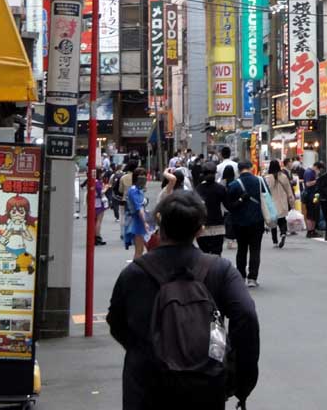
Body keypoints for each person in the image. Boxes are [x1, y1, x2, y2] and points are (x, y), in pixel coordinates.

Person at [107, 190, 260, 410]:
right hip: (205, 382)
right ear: (200, 229)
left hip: (146, 384)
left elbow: (117, 323)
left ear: (160, 225)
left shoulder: (135, 273)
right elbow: (246, 316)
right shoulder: (219, 270)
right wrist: (239, 378)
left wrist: (143, 349)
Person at [228, 161, 265, 287]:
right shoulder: (259, 181)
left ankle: (241, 276)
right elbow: (266, 198)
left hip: (239, 222)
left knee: (241, 249)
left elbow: (230, 206)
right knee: (255, 249)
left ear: (238, 170)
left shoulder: (234, 184)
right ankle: (252, 278)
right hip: (257, 220)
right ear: (251, 168)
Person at [195, 162, 227, 255]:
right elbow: (228, 206)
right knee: (217, 255)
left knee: (204, 254)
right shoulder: (220, 188)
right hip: (218, 225)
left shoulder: (198, 189)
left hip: (203, 227)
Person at [264, 160, 296, 249]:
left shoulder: (267, 178)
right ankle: (283, 233)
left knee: (273, 222)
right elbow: (289, 191)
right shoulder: (284, 177)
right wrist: (292, 202)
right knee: (282, 220)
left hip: (272, 203)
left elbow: (265, 192)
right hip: (283, 202)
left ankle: (275, 241)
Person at [124, 169, 150, 259]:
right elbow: (139, 208)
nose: (144, 178)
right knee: (139, 250)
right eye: (141, 176)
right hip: (137, 221)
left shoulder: (137, 189)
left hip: (138, 220)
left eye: (144, 176)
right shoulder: (135, 190)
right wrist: (145, 222)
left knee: (140, 249)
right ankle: (136, 271)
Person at [301, 162, 324, 238]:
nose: (319, 171)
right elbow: (307, 184)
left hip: (314, 196)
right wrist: (317, 181)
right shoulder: (309, 172)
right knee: (310, 214)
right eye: (319, 169)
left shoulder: (312, 172)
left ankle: (313, 231)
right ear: (316, 167)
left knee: (314, 214)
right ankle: (309, 231)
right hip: (310, 196)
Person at [222, 165, 238, 250]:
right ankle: (233, 239)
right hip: (234, 205)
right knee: (233, 222)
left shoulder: (222, 182)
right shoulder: (235, 182)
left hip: (225, 206)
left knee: (227, 222)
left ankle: (229, 240)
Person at [94, 168, 108, 246]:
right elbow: (101, 192)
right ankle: (97, 236)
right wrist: (106, 188)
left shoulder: (93, 181)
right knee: (99, 220)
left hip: (94, 202)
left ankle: (96, 236)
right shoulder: (97, 182)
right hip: (99, 202)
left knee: (95, 220)